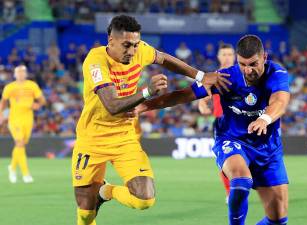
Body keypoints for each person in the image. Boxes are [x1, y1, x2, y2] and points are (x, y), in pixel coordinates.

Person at [72, 15, 229, 225]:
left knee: (144, 199)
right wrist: (147, 92)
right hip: (92, 140)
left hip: (125, 138)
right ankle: (94, 199)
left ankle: (105, 191)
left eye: (135, 45)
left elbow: (164, 58)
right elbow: (112, 105)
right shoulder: (96, 61)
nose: (132, 51)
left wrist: (200, 76)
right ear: (111, 41)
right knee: (85, 210)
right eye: (126, 45)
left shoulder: (140, 51)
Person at [135, 35, 291, 225]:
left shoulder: (277, 73)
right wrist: (144, 106)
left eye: (253, 64)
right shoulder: (225, 77)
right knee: (241, 181)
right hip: (233, 140)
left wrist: (264, 119)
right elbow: (182, 95)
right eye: (243, 64)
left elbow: (280, 102)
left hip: (268, 147)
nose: (248, 70)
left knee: (278, 220)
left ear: (264, 57)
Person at [198, 43, 235, 203]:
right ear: (219, 57)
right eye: (224, 54)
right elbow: (203, 95)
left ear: (234, 56)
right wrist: (202, 104)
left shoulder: (244, 74)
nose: (227, 57)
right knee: (225, 159)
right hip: (223, 123)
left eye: (229, 54)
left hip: (246, 120)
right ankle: (230, 193)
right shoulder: (213, 77)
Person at [0, 65, 46, 183]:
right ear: (15, 74)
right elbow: (3, 102)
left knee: (21, 145)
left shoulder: (32, 85)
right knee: (19, 143)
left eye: (22, 72)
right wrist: (1, 115)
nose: (20, 74)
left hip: (28, 120)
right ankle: (26, 174)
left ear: (26, 74)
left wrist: (38, 105)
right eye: (18, 72)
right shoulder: (9, 87)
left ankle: (12, 167)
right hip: (14, 119)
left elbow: (42, 100)